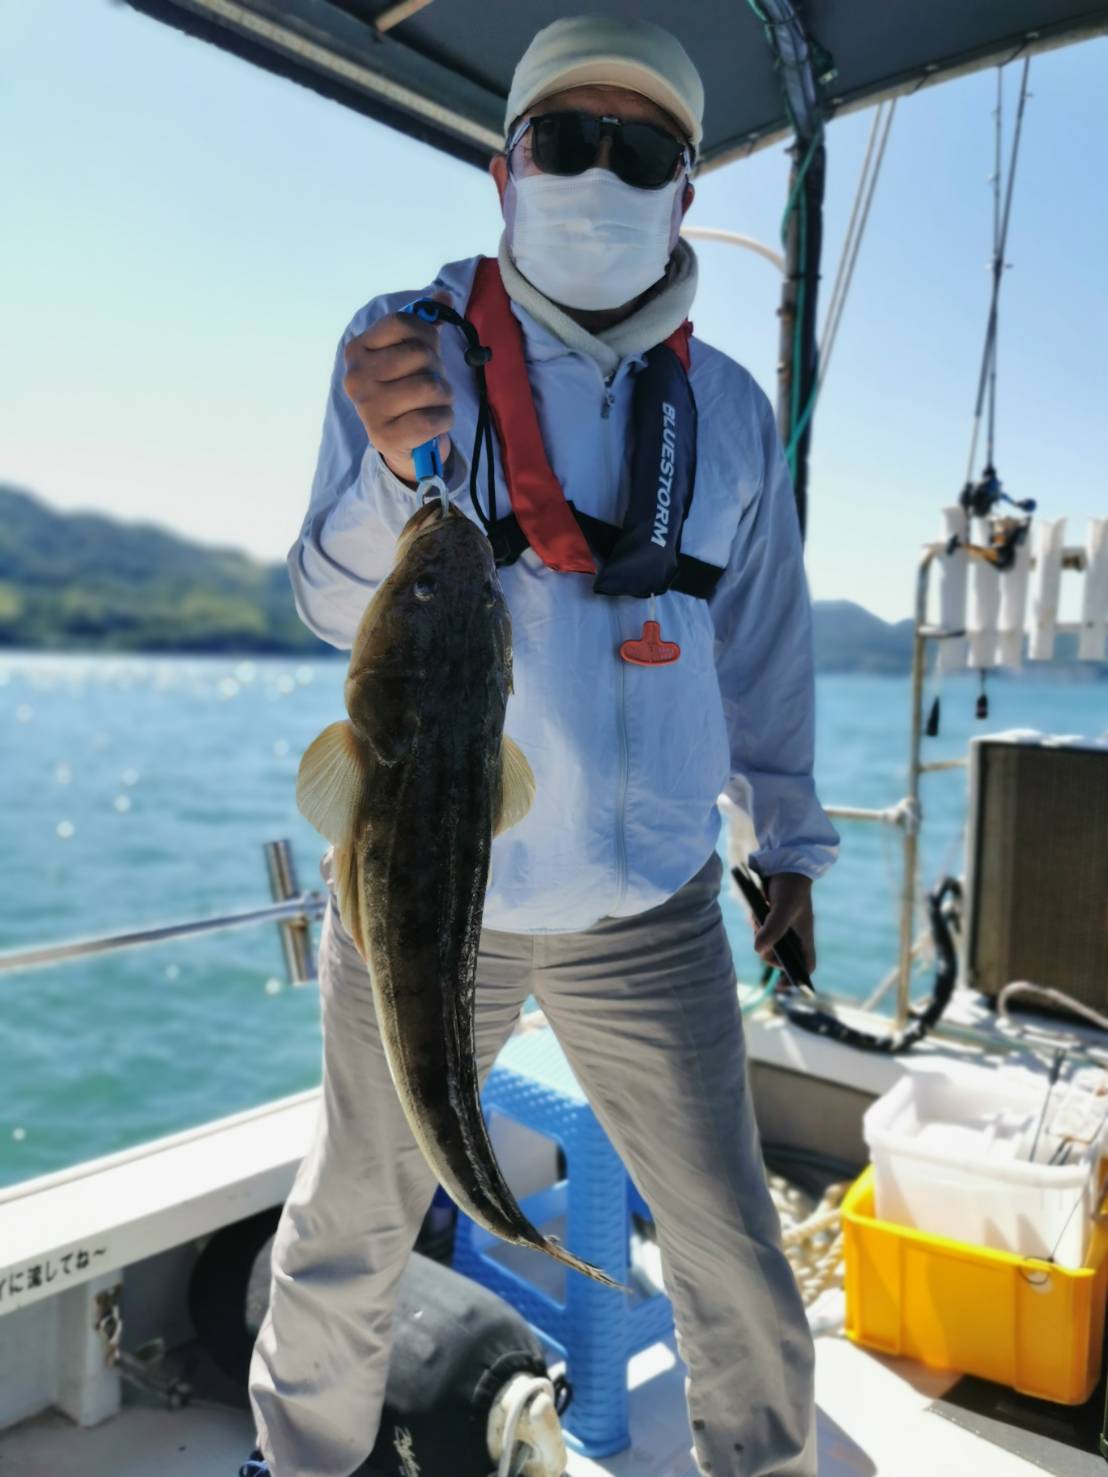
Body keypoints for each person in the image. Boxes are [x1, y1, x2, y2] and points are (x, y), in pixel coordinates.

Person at [240, 14, 839, 1477]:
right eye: (564, 140)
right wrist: (389, 473)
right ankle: (297, 1458)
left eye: (639, 152)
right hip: (430, 895)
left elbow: (763, 646)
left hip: (655, 905)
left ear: (685, 191)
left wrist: (792, 840)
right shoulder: (405, 348)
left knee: (732, 1249)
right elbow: (328, 603)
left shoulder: (732, 412)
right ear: (504, 170)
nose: (597, 175)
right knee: (351, 1219)